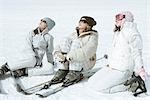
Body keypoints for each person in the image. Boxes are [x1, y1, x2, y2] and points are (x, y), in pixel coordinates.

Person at [87, 11, 147, 93]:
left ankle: (131, 83)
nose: (116, 20)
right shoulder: (118, 32)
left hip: (123, 69)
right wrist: (110, 61)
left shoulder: (132, 34)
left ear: (126, 19)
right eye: (116, 17)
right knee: (91, 82)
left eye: (119, 17)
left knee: (100, 88)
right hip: (112, 66)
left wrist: (141, 69)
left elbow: (137, 53)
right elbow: (115, 50)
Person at [51, 16, 98, 86]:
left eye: (84, 22)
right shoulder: (74, 34)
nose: (80, 23)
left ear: (89, 25)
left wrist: (70, 56)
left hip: (86, 62)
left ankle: (75, 72)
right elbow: (60, 45)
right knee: (65, 39)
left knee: (76, 42)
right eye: (80, 21)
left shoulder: (92, 37)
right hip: (70, 61)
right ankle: (63, 69)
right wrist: (58, 54)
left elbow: (87, 51)